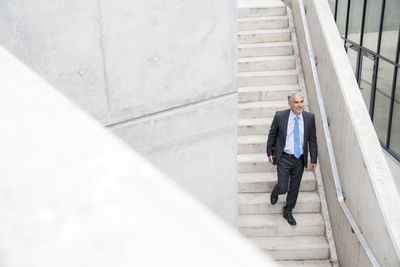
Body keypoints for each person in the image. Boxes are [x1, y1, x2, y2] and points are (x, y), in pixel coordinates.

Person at [266, 92, 317, 225]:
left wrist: (314, 158)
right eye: (296, 102)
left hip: (299, 159)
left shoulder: (310, 117)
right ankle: (275, 192)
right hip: (284, 157)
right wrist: (269, 151)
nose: (300, 105)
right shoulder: (280, 116)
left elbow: (312, 140)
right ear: (290, 104)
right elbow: (272, 135)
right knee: (283, 187)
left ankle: (287, 211)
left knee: (294, 187)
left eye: (301, 102)